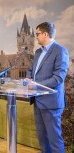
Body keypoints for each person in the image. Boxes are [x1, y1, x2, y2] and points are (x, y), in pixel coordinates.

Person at [27, 22, 69, 153]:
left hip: (51, 103)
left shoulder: (60, 51)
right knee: (42, 139)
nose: (36, 37)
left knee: (54, 139)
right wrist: (29, 78)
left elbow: (58, 78)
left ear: (45, 34)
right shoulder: (38, 52)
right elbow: (31, 69)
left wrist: (37, 84)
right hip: (38, 101)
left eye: (38, 34)